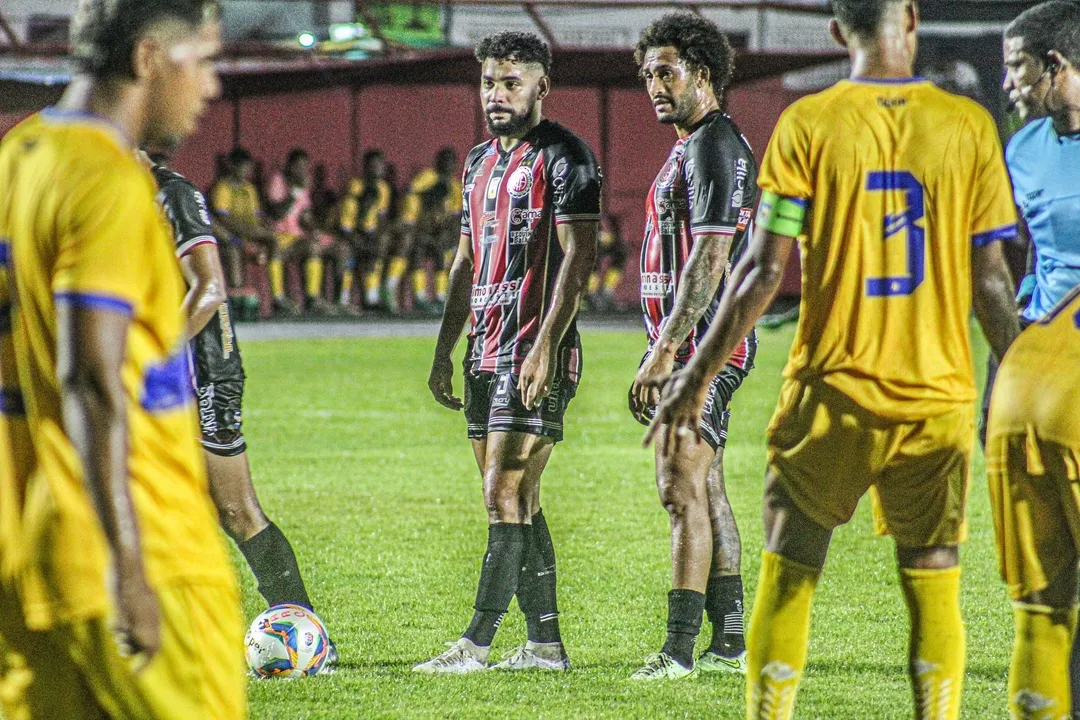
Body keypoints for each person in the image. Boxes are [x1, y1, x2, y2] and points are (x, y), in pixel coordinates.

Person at [643, 0, 1021, 716]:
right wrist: (1034, 383)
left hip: (830, 393)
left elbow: (758, 272)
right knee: (934, 584)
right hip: (935, 399)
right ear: (910, 18)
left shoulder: (808, 125)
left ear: (837, 31)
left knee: (789, 580)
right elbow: (993, 282)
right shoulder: (968, 127)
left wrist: (691, 377)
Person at [0, 1, 247, 717]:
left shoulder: (17, 160)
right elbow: (92, 378)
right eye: (200, 60)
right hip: (143, 551)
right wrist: (127, 565)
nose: (211, 87)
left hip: (30, 557)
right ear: (146, 59)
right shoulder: (109, 180)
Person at [416, 31, 601, 674]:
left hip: (534, 353)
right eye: (490, 83)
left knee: (504, 493)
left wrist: (547, 346)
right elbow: (465, 263)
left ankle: (476, 641)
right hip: (483, 352)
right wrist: (445, 350)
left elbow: (580, 258)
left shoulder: (567, 158)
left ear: (541, 87)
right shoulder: (475, 163)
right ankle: (547, 647)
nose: (497, 95)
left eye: (510, 83)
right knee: (519, 501)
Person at [150, 153, 336, 664]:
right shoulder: (103, 193)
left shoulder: (172, 194)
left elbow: (208, 289)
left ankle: (306, 634)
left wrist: (143, 354)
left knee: (235, 509)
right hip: (157, 373)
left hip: (204, 368)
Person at [627, 12, 758, 680]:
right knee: (704, 488)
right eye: (648, 73)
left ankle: (678, 651)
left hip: (704, 352)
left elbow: (709, 259)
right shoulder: (693, 144)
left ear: (703, 72)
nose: (654, 85)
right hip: (694, 347)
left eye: (666, 72)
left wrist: (665, 353)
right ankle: (731, 643)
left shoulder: (712, 144)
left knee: (678, 485)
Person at [985, 3, 1080, 715]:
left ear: (1057, 65)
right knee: (1040, 590)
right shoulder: (1023, 149)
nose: (1007, 81)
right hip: (1037, 369)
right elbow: (1040, 258)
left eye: (1017, 65)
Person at [210, 146, 299, 316]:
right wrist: (250, 234)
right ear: (232, 166)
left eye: (248, 166)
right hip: (231, 237)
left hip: (252, 235)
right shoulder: (222, 188)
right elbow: (223, 219)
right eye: (242, 166)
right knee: (234, 248)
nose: (246, 170)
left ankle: (277, 297)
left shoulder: (250, 189)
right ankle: (237, 300)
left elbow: (257, 216)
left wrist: (264, 226)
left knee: (274, 241)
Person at [265, 148, 343, 316]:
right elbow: (277, 212)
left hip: (298, 236)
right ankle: (279, 299)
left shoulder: (303, 186)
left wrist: (315, 229)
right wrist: (296, 192)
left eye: (305, 167)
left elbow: (305, 217)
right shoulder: (278, 181)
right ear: (289, 166)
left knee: (337, 248)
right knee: (290, 246)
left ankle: (327, 300)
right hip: (280, 235)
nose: (303, 170)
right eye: (299, 166)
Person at [402, 146, 463, 315]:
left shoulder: (456, 186)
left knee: (444, 252)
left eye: (453, 162)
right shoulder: (428, 177)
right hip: (420, 228)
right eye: (446, 161)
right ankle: (420, 297)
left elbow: (456, 216)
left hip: (441, 231)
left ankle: (441, 297)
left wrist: (452, 237)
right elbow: (412, 195)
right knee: (418, 250)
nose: (449, 165)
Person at [338, 149, 393, 310]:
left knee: (378, 248)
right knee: (347, 253)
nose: (378, 168)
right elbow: (345, 229)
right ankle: (343, 299)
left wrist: (375, 241)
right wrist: (364, 246)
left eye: (380, 164)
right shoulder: (354, 190)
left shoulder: (384, 188)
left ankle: (372, 298)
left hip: (370, 234)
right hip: (350, 235)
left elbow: (382, 219)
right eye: (373, 165)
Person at [585, 213, 628, 311]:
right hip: (581, 242)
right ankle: (590, 293)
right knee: (592, 251)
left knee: (621, 250)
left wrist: (603, 236)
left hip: (595, 237)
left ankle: (607, 290)